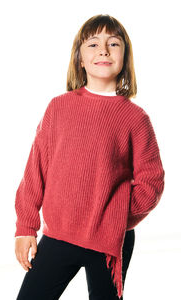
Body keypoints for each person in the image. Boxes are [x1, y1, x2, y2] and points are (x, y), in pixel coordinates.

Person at [14, 14, 165, 300]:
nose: (104, 51)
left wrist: (117, 215)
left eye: (114, 44)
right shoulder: (58, 108)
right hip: (59, 235)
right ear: (80, 59)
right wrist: (25, 227)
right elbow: (36, 170)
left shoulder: (135, 118)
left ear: (125, 57)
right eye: (93, 44)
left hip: (110, 241)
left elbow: (152, 181)